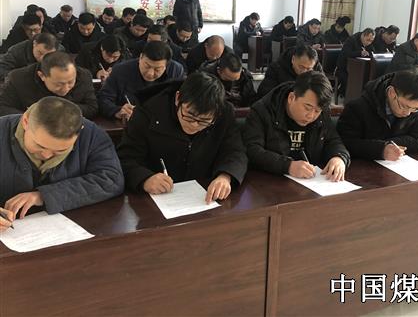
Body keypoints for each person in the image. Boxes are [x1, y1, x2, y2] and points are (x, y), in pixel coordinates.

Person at [117, 72, 247, 202]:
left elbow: (235, 151)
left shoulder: (224, 113)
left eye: (204, 121)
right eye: (189, 116)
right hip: (156, 198)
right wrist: (145, 179)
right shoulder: (146, 113)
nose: (194, 125)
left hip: (203, 194)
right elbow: (126, 158)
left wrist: (225, 176)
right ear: (178, 98)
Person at [0, 96, 123, 228]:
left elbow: (111, 179)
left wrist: (44, 196)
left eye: (60, 150)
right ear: (25, 121)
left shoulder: (92, 135)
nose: (47, 155)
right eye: (39, 146)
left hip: (68, 227)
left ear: (80, 131)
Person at [242, 71, 349, 180]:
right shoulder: (262, 110)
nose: (311, 116)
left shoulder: (322, 113)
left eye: (317, 111)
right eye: (307, 108)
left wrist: (339, 158)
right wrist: (288, 166)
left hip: (311, 181)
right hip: (271, 180)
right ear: (291, 98)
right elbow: (252, 150)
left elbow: (333, 140)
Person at [337, 70, 418, 161]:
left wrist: (389, 145)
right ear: (391, 93)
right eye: (404, 106)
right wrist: (381, 149)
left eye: (415, 108)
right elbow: (346, 143)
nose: (407, 113)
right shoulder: (357, 108)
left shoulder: (411, 109)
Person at [98, 41, 185, 120]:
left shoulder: (175, 71)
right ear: (140, 57)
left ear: (166, 65)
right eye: (147, 66)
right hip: (131, 123)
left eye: (157, 69)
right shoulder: (120, 70)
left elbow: (182, 101)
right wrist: (118, 111)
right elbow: (103, 98)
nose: (150, 73)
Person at [0, 51, 98, 119]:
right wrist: (32, 117)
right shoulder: (18, 78)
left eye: (71, 82)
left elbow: (92, 108)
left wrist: (62, 109)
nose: (66, 88)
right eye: (59, 84)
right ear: (42, 76)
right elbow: (3, 107)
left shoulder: (84, 75)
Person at [257, 45, 323, 97]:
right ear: (293, 59)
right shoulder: (276, 67)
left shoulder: (316, 68)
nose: (304, 71)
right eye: (301, 67)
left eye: (308, 69)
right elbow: (265, 92)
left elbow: (323, 89)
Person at [335, 27, 375, 96]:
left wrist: (370, 53)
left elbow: (373, 52)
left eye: (371, 41)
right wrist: (360, 53)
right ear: (363, 35)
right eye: (368, 40)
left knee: (366, 78)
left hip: (359, 69)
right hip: (344, 68)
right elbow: (346, 54)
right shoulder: (352, 40)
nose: (369, 43)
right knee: (353, 80)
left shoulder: (368, 43)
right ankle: (348, 95)